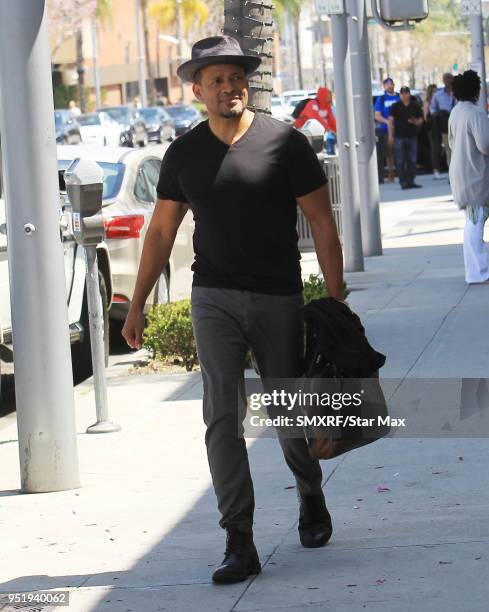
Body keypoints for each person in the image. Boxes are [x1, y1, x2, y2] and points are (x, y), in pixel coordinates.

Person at [121, 35, 344, 584]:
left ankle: (310, 495)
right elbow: (161, 232)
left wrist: (336, 298)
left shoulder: (285, 144)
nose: (229, 87)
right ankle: (238, 540)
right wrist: (138, 305)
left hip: (277, 296)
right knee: (222, 416)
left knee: (289, 412)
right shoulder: (184, 154)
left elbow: (321, 220)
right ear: (198, 90)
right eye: (217, 80)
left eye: (236, 77)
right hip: (212, 297)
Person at [448, 70, 489, 284]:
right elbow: (485, 144)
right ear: (476, 90)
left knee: (472, 222)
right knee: (476, 222)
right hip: (476, 176)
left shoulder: (456, 112)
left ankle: (475, 271)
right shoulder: (476, 113)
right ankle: (479, 273)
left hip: (461, 173)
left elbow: (452, 143)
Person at [388, 86, 423, 190]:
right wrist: (390, 135)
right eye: (402, 93)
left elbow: (421, 119)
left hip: (412, 136)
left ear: (409, 94)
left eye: (406, 93)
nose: (404, 95)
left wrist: (416, 122)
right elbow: (390, 120)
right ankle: (403, 182)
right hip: (399, 136)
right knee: (400, 160)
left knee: (412, 160)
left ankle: (411, 181)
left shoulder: (415, 105)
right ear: (400, 95)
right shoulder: (395, 106)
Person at [374, 78, 400, 183]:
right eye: (387, 85)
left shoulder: (399, 96)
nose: (390, 86)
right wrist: (387, 122)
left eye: (391, 84)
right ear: (384, 86)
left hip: (399, 129)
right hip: (385, 130)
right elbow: (377, 115)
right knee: (389, 153)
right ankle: (391, 173)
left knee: (399, 152)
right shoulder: (381, 99)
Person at [430, 73, 456, 175]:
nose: (448, 81)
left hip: (458, 125)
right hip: (445, 127)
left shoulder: (458, 93)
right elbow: (432, 109)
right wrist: (438, 115)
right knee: (449, 150)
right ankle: (452, 173)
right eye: (446, 79)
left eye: (450, 79)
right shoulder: (437, 95)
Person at [423, 83, 440, 177]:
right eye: (434, 91)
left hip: (439, 126)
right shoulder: (427, 102)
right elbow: (425, 116)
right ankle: (435, 170)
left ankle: (439, 169)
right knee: (435, 149)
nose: (436, 93)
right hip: (432, 128)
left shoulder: (438, 101)